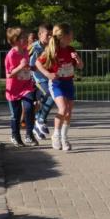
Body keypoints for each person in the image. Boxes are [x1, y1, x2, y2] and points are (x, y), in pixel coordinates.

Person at [36, 23, 84, 152]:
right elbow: (37, 62)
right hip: (57, 84)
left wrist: (78, 59)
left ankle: (64, 137)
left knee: (69, 112)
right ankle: (56, 135)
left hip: (69, 83)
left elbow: (80, 66)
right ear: (63, 36)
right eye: (71, 35)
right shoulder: (52, 50)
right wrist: (48, 74)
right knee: (63, 109)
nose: (72, 38)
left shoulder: (71, 50)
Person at [4, 27, 38, 147]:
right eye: (22, 38)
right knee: (16, 114)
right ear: (15, 40)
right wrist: (20, 67)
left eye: (24, 37)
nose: (25, 39)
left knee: (29, 108)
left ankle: (29, 135)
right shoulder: (11, 55)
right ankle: (15, 136)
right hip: (13, 89)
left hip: (26, 85)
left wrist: (31, 67)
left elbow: (26, 65)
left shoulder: (25, 51)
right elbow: (8, 74)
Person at [29, 23, 55, 140]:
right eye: (47, 35)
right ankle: (40, 119)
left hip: (49, 77)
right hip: (38, 79)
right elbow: (31, 65)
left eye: (52, 35)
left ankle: (37, 122)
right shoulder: (35, 47)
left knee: (47, 99)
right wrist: (42, 66)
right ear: (40, 35)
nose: (50, 37)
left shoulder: (52, 46)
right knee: (50, 95)